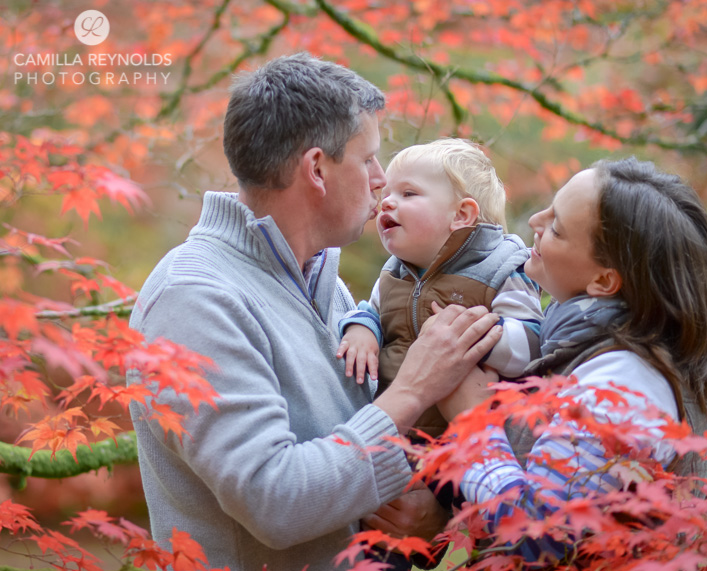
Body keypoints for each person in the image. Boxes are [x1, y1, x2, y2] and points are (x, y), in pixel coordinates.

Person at [127, 52, 504, 571]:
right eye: (369, 158)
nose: (379, 179)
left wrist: (430, 520)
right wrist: (413, 390)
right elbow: (275, 503)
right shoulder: (194, 297)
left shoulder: (325, 285)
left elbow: (358, 464)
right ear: (318, 169)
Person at [437, 157, 707, 564]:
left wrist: (472, 423)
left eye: (556, 227)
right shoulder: (585, 349)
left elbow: (544, 537)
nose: (535, 222)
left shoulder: (624, 383)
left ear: (604, 281)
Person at [337, 138, 543, 439]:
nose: (387, 202)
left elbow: (531, 347)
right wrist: (361, 330)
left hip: (474, 446)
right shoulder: (394, 273)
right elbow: (371, 312)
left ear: (460, 215)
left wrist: (465, 335)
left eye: (408, 193)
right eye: (388, 193)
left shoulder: (503, 269)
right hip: (399, 442)